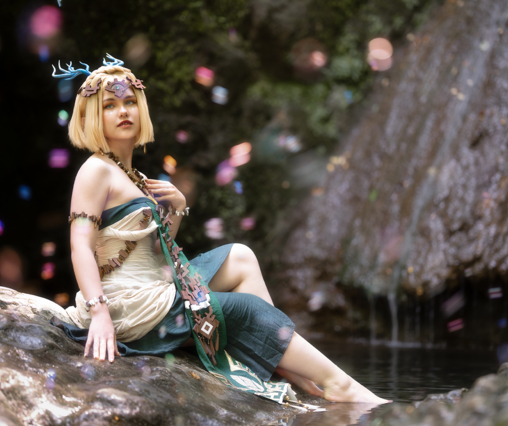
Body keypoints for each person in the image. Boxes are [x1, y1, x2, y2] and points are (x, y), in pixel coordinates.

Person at [52, 55, 388, 405]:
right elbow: (80, 246)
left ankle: (278, 359)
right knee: (246, 310)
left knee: (240, 256)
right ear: (92, 116)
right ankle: (339, 385)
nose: (123, 111)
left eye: (129, 102)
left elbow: (156, 255)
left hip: (154, 286)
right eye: (109, 105)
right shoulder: (96, 170)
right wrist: (100, 314)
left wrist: (177, 207)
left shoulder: (131, 174)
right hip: (129, 306)